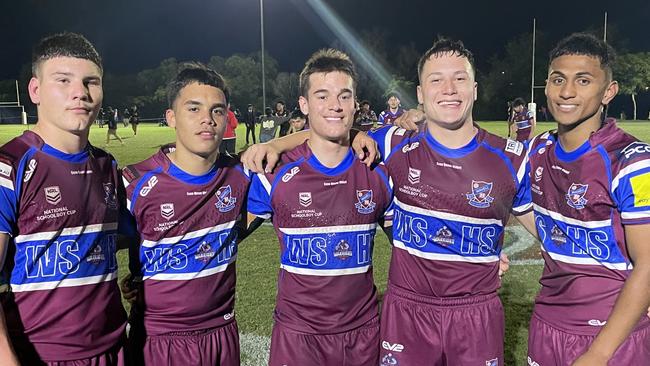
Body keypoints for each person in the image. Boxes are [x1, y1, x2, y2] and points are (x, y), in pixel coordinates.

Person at [247, 48, 393, 366]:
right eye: (322, 96)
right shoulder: (272, 172)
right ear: (304, 104)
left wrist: (473, 265)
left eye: (344, 96)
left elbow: (410, 245)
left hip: (362, 334)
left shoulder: (377, 170)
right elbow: (221, 236)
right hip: (297, 336)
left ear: (356, 103)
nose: (335, 107)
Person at [0, 32, 128, 365]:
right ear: (35, 90)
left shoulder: (107, 166)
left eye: (91, 82)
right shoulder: (9, 167)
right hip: (42, 356)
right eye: (63, 80)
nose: (80, 93)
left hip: (113, 348)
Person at [526, 32, 650, 366]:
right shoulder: (537, 151)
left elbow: (648, 263)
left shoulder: (631, 160)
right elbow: (475, 162)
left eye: (583, 80)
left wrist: (598, 354)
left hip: (612, 335)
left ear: (608, 91)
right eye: (558, 79)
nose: (566, 92)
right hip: (547, 324)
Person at [121, 62, 250, 365]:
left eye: (217, 110)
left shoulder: (240, 175)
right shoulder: (133, 182)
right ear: (171, 117)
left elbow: (315, 144)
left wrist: (352, 132)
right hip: (158, 340)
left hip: (221, 333)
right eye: (193, 109)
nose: (207, 119)